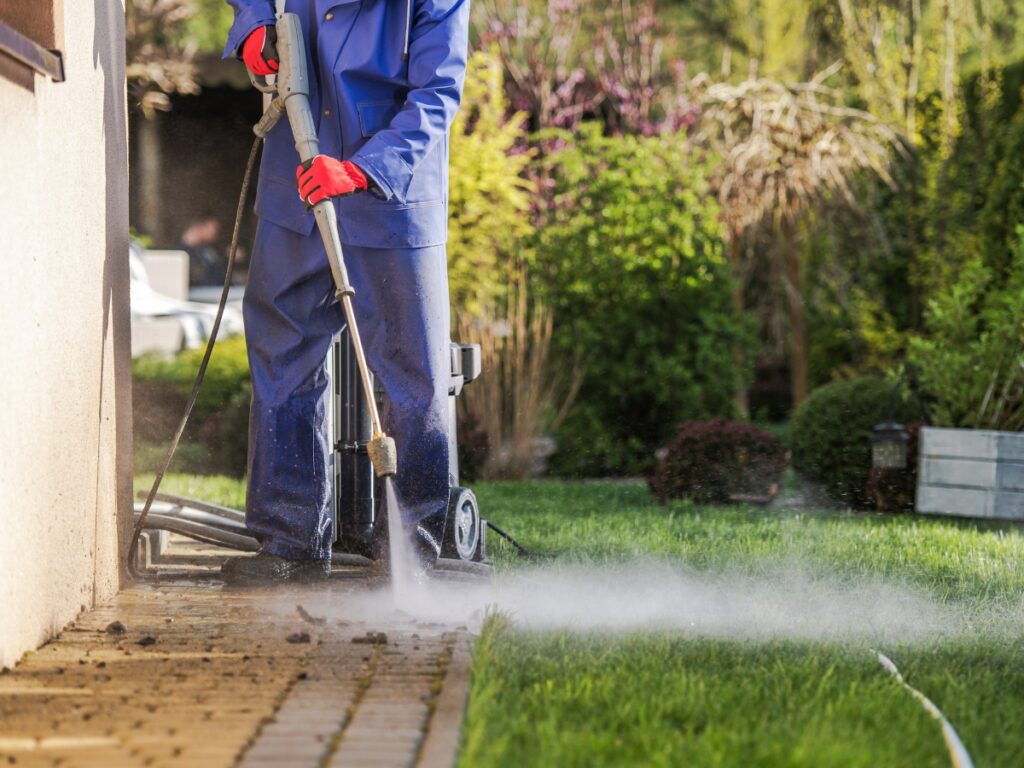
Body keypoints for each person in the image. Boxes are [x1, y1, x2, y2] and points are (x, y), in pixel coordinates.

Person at [220, 0, 470, 582]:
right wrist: (253, 23)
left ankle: (414, 551)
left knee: (412, 376)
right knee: (283, 358)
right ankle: (291, 544)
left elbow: (437, 94)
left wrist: (361, 170)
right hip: (296, 188)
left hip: (387, 199)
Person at [177, 213, 225, 288]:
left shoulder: (206, 251)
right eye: (214, 228)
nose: (216, 233)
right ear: (200, 226)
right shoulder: (180, 254)